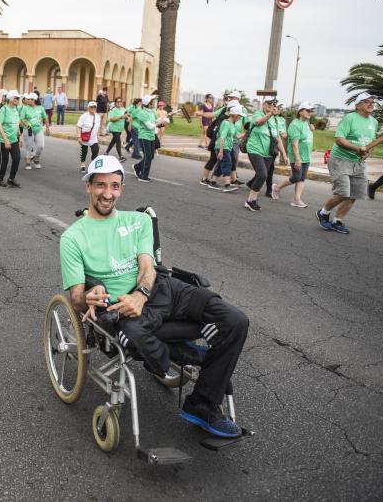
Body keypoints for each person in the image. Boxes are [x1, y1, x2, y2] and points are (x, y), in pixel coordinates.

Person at [60, 155, 249, 438]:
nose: (107, 193)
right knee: (133, 337)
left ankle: (200, 404)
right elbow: (75, 298)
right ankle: (183, 357)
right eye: (100, 185)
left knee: (235, 321)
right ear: (88, 186)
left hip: (162, 289)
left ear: (122, 187)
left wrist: (142, 293)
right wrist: (90, 293)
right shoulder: (73, 238)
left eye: (114, 185)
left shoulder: (139, 221)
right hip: (122, 307)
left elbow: (148, 267)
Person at [317, 92, 383, 234]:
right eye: (366, 101)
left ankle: (337, 221)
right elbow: (339, 139)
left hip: (358, 162)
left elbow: (371, 143)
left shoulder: (374, 122)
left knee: (355, 194)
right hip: (340, 159)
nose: (371, 104)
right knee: (343, 192)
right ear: (358, 105)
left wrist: (367, 152)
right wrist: (358, 148)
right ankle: (323, 212)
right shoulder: (350, 118)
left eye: (372, 102)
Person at [273, 102, 315, 207]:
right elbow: (294, 144)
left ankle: (297, 199)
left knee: (302, 178)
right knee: (296, 177)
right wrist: (297, 160)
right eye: (307, 110)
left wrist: (312, 128)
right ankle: (277, 188)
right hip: (297, 156)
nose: (310, 112)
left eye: (311, 111)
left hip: (306, 156)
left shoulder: (307, 123)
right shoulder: (295, 125)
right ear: (300, 111)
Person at [242, 100, 277, 211]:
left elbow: (277, 136)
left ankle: (253, 199)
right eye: (269, 105)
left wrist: (284, 154)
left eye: (273, 105)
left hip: (268, 152)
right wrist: (271, 114)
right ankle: (250, 200)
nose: (271, 107)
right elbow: (258, 122)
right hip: (255, 149)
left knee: (261, 174)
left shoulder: (274, 119)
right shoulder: (258, 114)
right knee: (262, 174)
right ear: (264, 105)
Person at [207, 106, 241, 192]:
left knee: (220, 165)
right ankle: (227, 185)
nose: (241, 118)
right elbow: (222, 137)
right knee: (227, 164)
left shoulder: (232, 124)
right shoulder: (226, 123)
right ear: (235, 115)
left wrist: (249, 131)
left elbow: (237, 136)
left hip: (227, 148)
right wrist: (221, 151)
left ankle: (213, 182)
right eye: (240, 116)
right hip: (223, 147)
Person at [0, 90, 22, 188]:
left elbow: (16, 123)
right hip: (3, 140)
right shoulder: (4, 109)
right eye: (16, 98)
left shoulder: (16, 109)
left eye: (18, 98)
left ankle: (11, 178)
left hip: (14, 139)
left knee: (17, 159)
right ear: (11, 99)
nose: (18, 100)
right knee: (4, 160)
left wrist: (20, 135)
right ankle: (0, 179)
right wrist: (6, 140)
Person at [264, 101, 288, 198]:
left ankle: (268, 190)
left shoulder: (281, 120)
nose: (277, 109)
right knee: (266, 169)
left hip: (274, 146)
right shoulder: (269, 118)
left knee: (269, 169)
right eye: (275, 107)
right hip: (265, 145)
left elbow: (283, 134)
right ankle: (257, 185)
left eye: (278, 108)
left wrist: (283, 134)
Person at [133, 95, 159, 182]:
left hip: (151, 137)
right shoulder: (142, 113)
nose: (155, 103)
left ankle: (137, 167)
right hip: (144, 137)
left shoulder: (152, 112)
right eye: (153, 101)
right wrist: (158, 123)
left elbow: (156, 121)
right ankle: (143, 176)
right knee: (148, 156)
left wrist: (163, 120)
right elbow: (150, 126)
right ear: (149, 103)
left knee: (151, 156)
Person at [20, 92, 48, 169]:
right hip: (28, 130)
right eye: (28, 99)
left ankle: (36, 158)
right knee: (29, 146)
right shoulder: (25, 108)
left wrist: (48, 128)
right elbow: (21, 119)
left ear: (34, 100)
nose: (28, 100)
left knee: (41, 146)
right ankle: (28, 162)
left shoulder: (40, 108)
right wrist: (26, 125)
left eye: (30, 99)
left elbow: (45, 118)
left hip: (38, 129)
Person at [76, 101, 101, 173]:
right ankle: (83, 165)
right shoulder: (84, 116)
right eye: (91, 107)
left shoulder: (98, 117)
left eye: (94, 107)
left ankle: (93, 165)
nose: (93, 108)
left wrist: (98, 140)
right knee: (84, 152)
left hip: (93, 138)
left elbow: (97, 129)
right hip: (85, 137)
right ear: (88, 108)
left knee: (95, 150)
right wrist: (79, 137)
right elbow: (78, 127)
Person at [105, 97, 127, 162]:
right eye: (117, 101)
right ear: (115, 103)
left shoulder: (123, 109)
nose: (119, 103)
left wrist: (127, 116)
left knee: (113, 141)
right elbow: (110, 119)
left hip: (120, 129)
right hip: (114, 128)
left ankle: (106, 152)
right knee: (118, 141)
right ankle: (120, 156)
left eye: (120, 101)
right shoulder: (113, 110)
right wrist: (120, 117)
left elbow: (126, 115)